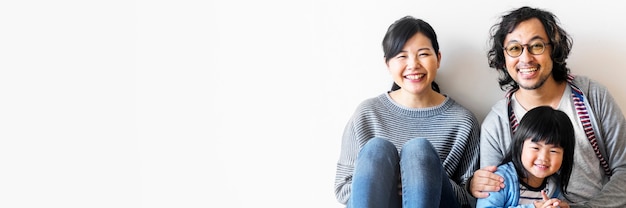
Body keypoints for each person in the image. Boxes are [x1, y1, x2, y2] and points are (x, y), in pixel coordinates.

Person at [469, 6, 626, 207]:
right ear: (504, 57)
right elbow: (492, 193)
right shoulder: (497, 123)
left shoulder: (592, 96)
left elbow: (623, 168)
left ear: (554, 48)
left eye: (536, 46)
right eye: (515, 48)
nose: (526, 59)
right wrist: (472, 184)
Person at [333, 16, 480, 208]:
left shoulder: (462, 121)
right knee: (377, 149)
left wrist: (423, 175)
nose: (413, 65)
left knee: (419, 151)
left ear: (438, 59)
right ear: (388, 64)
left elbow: (470, 197)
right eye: (402, 56)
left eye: (423, 54)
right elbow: (342, 189)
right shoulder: (368, 113)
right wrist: (389, 178)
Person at [476, 106, 575, 208]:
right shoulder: (499, 180)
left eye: (553, 151)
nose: (543, 158)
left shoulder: (554, 184)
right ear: (520, 146)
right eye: (536, 148)